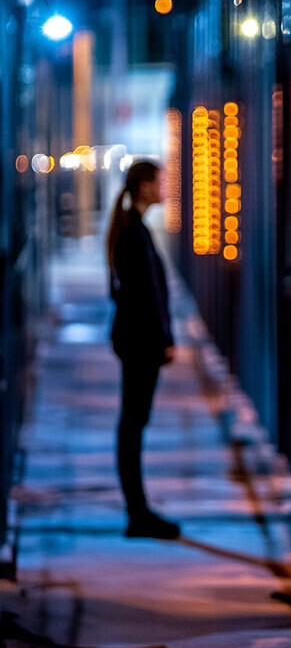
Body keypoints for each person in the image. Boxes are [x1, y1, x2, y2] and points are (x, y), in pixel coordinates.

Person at [106, 160, 181, 539]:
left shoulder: (132, 229)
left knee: (133, 423)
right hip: (141, 344)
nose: (165, 186)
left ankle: (138, 510)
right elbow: (146, 296)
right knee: (133, 424)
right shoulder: (134, 233)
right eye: (161, 180)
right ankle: (137, 513)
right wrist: (164, 339)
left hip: (136, 342)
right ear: (145, 186)